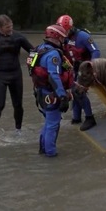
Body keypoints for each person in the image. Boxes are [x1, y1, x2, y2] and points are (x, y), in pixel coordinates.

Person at [31, 24, 73, 157]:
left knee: (48, 122)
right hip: (51, 94)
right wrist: (62, 96)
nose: (64, 41)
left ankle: (43, 149)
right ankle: (50, 154)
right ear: (57, 37)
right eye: (62, 38)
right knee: (53, 125)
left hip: (41, 92)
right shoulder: (53, 54)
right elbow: (53, 76)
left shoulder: (39, 49)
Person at [56, 14, 101, 131]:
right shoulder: (63, 39)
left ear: (70, 28)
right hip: (73, 69)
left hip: (85, 70)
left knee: (78, 91)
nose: (63, 33)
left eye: (65, 30)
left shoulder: (83, 36)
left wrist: (90, 67)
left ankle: (90, 118)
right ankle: (76, 118)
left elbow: (96, 51)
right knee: (74, 92)